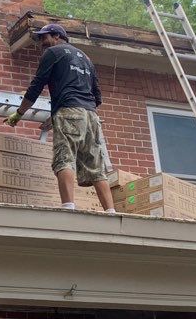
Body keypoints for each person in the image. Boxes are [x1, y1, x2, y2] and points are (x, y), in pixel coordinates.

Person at [7, 23, 116, 213]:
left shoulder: (54, 53)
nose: (41, 42)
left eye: (44, 37)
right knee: (96, 165)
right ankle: (111, 211)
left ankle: (68, 207)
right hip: (91, 116)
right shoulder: (87, 60)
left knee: (63, 158)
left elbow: (36, 86)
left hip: (68, 111)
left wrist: (19, 113)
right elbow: (98, 96)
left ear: (57, 36)